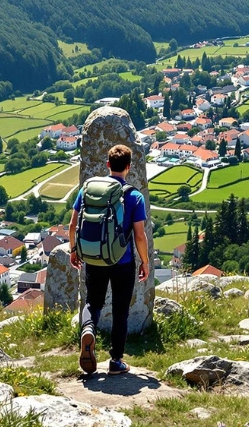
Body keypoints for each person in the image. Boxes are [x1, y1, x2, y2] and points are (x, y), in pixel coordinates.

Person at [69, 144, 150, 375]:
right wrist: (144, 262)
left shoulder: (88, 190)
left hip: (94, 258)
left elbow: (73, 224)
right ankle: (116, 361)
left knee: (92, 303)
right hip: (122, 262)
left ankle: (88, 330)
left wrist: (74, 250)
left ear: (107, 165)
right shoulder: (134, 196)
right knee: (120, 310)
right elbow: (140, 235)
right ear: (128, 167)